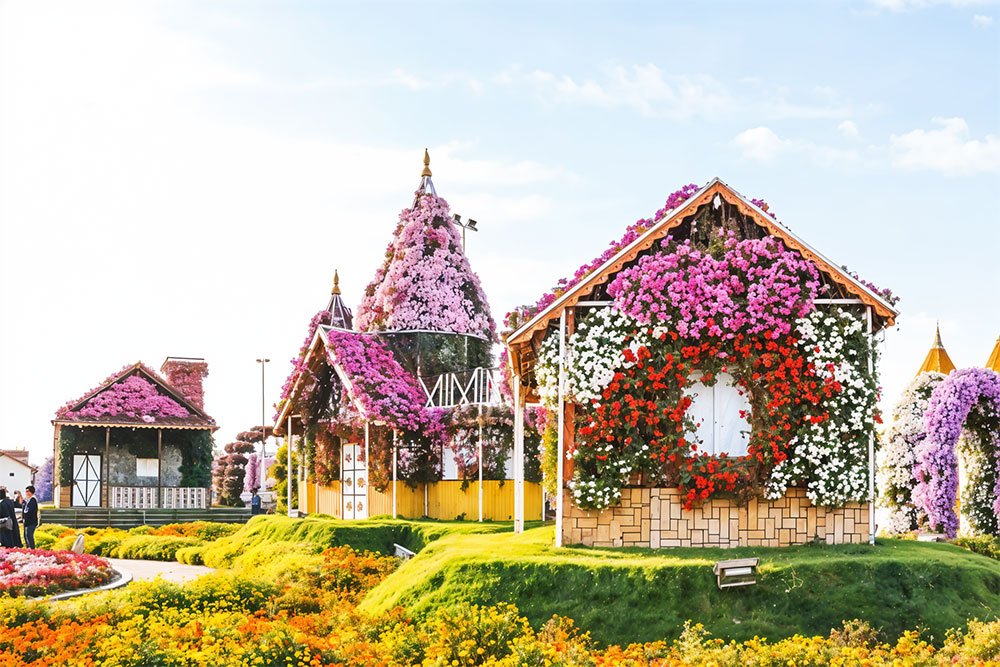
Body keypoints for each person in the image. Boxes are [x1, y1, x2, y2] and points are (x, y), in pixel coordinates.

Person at [21, 485, 38, 550]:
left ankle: (32, 549)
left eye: (27, 491)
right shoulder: (28, 500)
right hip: (27, 522)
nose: (26, 493)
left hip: (31, 522)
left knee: (29, 536)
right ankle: (28, 548)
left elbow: (30, 511)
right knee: (26, 536)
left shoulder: (33, 500)